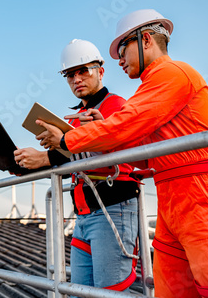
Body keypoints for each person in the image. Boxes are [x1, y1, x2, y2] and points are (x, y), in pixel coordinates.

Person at [36, 10, 208, 298]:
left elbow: (126, 124)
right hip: (172, 198)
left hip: (199, 196)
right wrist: (102, 134)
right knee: (174, 290)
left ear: (145, 40)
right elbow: (141, 155)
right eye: (70, 74)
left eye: (123, 49)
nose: (120, 59)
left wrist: (69, 138)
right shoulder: (151, 86)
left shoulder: (171, 74)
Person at [14, 39, 141, 292]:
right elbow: (70, 160)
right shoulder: (75, 117)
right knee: (79, 292)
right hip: (84, 213)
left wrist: (45, 156)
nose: (77, 79)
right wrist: (25, 165)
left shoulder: (114, 106)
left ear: (101, 71)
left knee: (109, 293)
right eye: (70, 74)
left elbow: (99, 148)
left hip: (113, 208)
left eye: (84, 71)